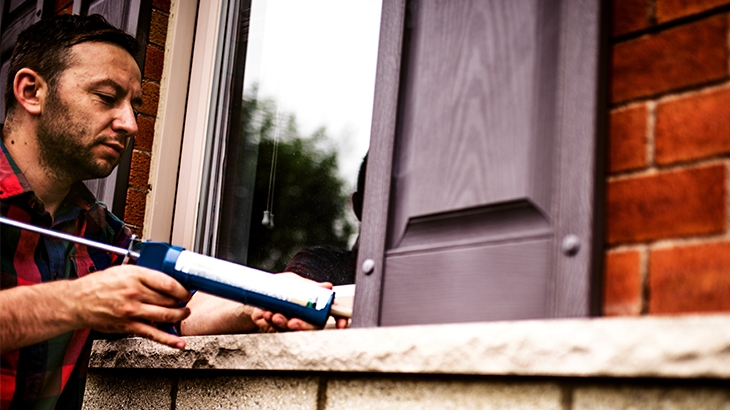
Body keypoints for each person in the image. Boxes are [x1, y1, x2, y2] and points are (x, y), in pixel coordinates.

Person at [0, 14, 345, 410]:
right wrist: (80, 301)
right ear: (31, 91)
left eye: (134, 105)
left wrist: (263, 299)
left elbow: (180, 303)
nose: (130, 123)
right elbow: (93, 299)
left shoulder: (97, 231)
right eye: (106, 97)